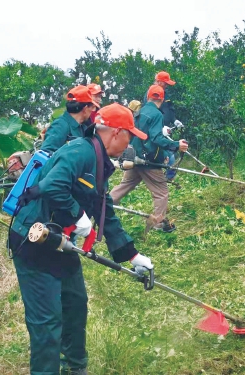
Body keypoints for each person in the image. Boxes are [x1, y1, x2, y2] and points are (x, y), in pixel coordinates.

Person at [9, 103, 153, 375]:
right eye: (129, 136)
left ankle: (75, 368)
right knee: (47, 322)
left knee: (75, 307)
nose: (130, 142)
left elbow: (104, 208)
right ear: (115, 133)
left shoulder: (99, 161)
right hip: (33, 241)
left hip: (60, 243)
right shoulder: (80, 151)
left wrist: (132, 255)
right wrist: (78, 217)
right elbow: (53, 187)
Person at [109, 85, 188, 233]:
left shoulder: (139, 112)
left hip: (134, 157)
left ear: (148, 97)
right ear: (162, 99)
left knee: (124, 185)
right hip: (148, 161)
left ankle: (103, 205)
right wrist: (176, 145)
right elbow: (156, 138)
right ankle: (158, 224)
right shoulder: (157, 115)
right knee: (161, 192)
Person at [145, 71, 183, 182]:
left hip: (166, 129)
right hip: (155, 130)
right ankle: (162, 179)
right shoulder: (150, 94)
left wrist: (175, 120)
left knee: (170, 153)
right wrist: (159, 127)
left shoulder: (165, 94)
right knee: (167, 155)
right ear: (158, 81)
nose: (166, 85)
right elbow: (148, 113)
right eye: (165, 83)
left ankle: (167, 177)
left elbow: (169, 110)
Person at [40, 85, 99, 153]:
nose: (92, 110)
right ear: (85, 109)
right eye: (92, 107)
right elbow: (46, 153)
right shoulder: (60, 126)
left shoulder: (83, 127)